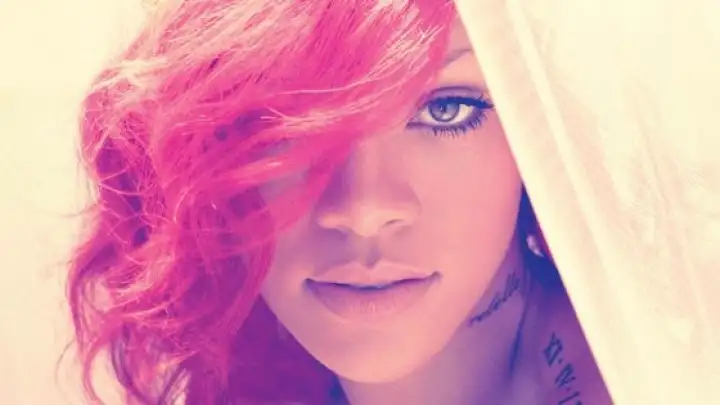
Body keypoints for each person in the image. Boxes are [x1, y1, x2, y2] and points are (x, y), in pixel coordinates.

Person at [67, 0, 612, 404]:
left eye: (446, 110)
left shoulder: (646, 371)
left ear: (538, 138)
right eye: (285, 120)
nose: (363, 210)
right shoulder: (255, 377)